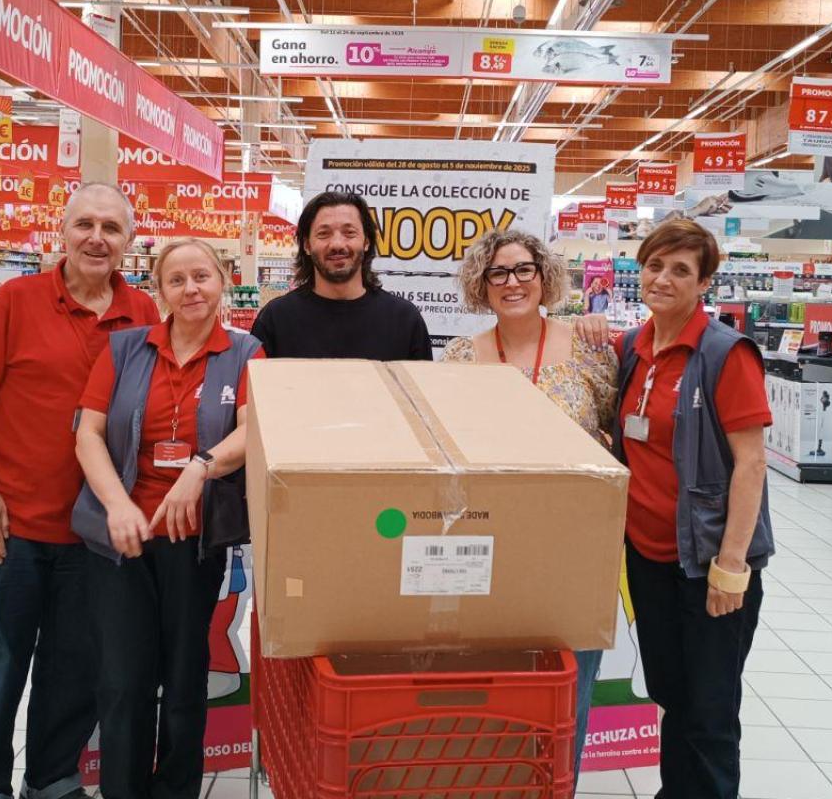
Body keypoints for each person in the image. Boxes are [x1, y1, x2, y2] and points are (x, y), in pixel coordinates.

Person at [0, 183, 161, 799]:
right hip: (9, 528)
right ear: (62, 232)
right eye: (85, 225)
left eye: (112, 228)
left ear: (128, 241)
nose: (97, 238)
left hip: (93, 536)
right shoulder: (17, 299)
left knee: (73, 671)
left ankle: (53, 780)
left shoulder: (143, 312)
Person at [72, 238, 262, 799]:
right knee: (124, 678)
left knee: (184, 674)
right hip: (121, 536)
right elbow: (87, 433)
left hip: (192, 537)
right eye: (176, 280)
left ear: (222, 281)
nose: (191, 289)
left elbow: (251, 431)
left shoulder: (247, 352)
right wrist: (119, 505)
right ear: (160, 291)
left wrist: (198, 470)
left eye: (201, 276)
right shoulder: (125, 350)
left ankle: (175, 788)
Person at [441, 228, 616, 781]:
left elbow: (616, 435)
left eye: (523, 270)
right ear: (481, 285)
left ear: (543, 277)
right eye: (498, 273)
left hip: (574, 546)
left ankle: (556, 784)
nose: (511, 282)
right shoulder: (458, 358)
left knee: (567, 687)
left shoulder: (590, 349)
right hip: (483, 544)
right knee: (491, 687)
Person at [611, 219, 773, 799]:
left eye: (681, 270)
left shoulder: (726, 355)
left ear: (704, 282)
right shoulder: (632, 347)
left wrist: (731, 565)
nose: (663, 279)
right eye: (655, 265)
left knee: (708, 709)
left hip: (709, 561)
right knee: (671, 692)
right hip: (650, 557)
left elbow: (751, 465)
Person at [250, 190, 431, 360]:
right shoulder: (276, 320)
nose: (337, 244)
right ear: (306, 245)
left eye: (349, 233)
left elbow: (422, 391)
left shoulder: (404, 320)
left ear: (366, 242)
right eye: (324, 234)